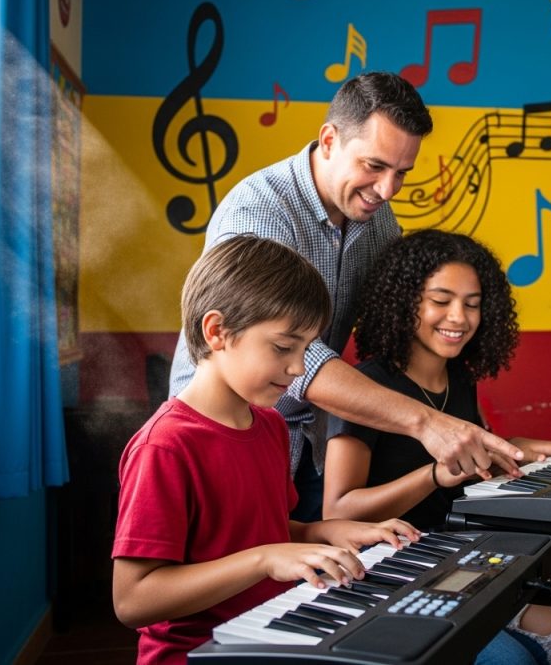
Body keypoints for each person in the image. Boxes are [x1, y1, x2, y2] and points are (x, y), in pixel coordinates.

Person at [168, 71, 523, 522]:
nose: (388, 189)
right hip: (223, 431)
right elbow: (298, 360)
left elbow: (396, 319)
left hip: (300, 438)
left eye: (401, 173)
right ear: (330, 139)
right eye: (374, 166)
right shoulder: (258, 210)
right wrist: (427, 422)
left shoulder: (378, 220)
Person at [112, 235, 420, 664]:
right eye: (283, 348)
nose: (297, 369)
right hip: (197, 655)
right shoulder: (165, 447)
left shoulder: (271, 426)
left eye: (305, 350)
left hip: (269, 633)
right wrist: (263, 560)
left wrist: (328, 532)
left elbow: (269, 533)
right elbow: (133, 601)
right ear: (217, 332)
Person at [323, 229, 551, 664]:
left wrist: (517, 448)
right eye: (441, 300)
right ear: (405, 301)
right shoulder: (369, 388)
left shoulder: (460, 377)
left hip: (461, 559)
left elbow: (473, 461)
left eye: (472, 304)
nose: (459, 317)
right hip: (395, 569)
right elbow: (338, 511)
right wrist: (433, 475)